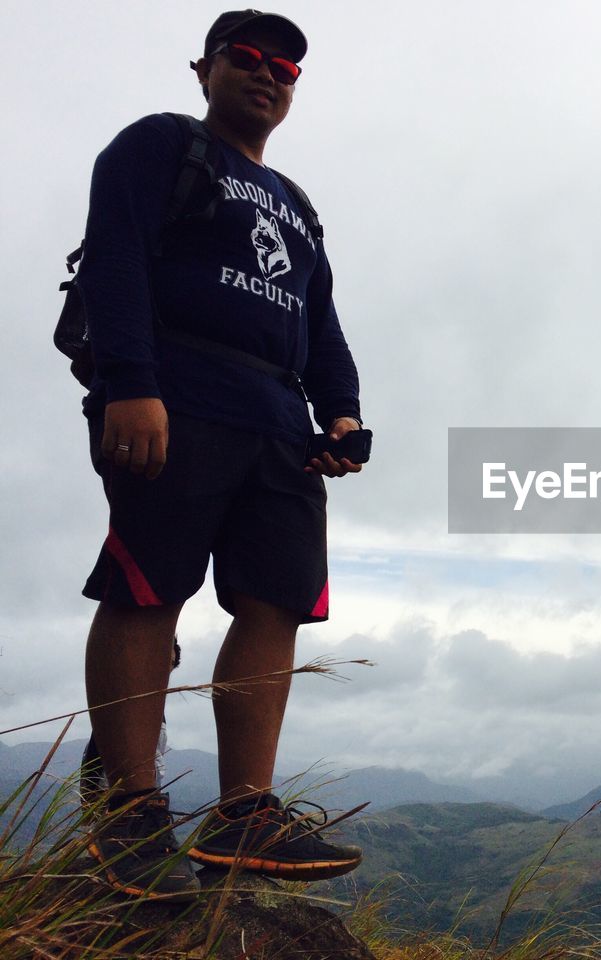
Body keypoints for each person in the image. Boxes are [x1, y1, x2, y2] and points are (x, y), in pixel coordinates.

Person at [78, 10, 367, 901]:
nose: (269, 74)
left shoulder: (297, 205)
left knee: (274, 602)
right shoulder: (160, 146)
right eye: (248, 58)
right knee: (146, 585)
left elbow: (319, 322)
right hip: (175, 394)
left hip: (279, 422)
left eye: (286, 67)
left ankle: (245, 813)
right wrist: (131, 381)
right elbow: (115, 258)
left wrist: (345, 414)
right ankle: (128, 810)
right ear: (203, 68)